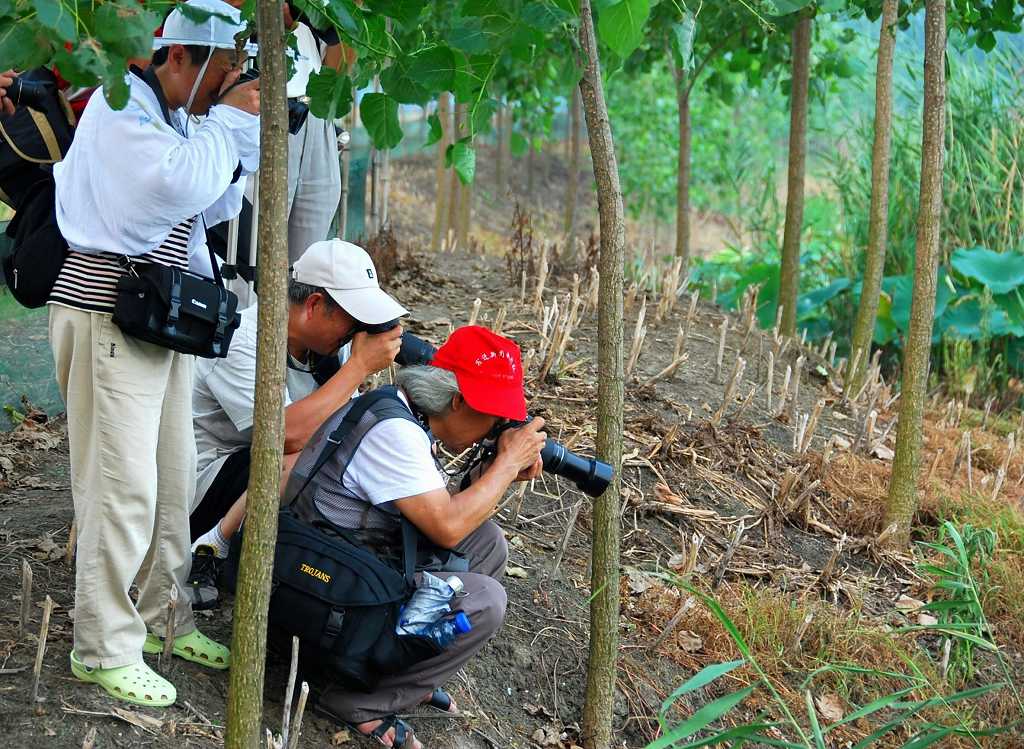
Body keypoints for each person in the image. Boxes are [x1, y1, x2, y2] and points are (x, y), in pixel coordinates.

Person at [47, 0, 259, 707]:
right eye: (224, 70)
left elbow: (208, 202)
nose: (228, 83)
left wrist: (226, 129)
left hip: (159, 324)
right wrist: (228, 123)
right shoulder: (120, 106)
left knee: (170, 485)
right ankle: (102, 646)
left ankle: (163, 615)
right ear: (179, 59)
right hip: (109, 315)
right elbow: (169, 187)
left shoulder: (175, 119)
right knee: (120, 488)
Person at [285, 325, 546, 749]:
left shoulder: (407, 415)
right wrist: (506, 462)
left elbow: (445, 511)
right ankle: (357, 699)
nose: (496, 427)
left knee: (487, 543)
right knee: (485, 601)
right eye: (492, 415)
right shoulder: (397, 433)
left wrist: (502, 471)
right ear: (458, 401)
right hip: (324, 589)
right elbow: (445, 525)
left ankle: (403, 670)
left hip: (354, 567)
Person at [187, 239, 406, 606]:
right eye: (353, 318)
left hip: (271, 482)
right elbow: (285, 436)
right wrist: (358, 367)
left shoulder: (323, 349)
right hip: (208, 486)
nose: (357, 331)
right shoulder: (243, 342)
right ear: (315, 305)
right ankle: (211, 548)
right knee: (301, 455)